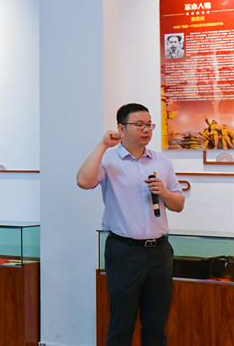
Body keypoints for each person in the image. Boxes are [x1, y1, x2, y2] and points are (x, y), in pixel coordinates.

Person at [77, 103, 185, 346]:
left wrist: (165, 193)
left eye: (149, 125)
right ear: (121, 128)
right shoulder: (108, 159)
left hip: (159, 251)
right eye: (139, 125)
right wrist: (103, 145)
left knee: (156, 324)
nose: (146, 130)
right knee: (121, 323)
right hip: (124, 252)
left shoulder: (161, 162)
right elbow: (83, 182)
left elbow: (178, 204)